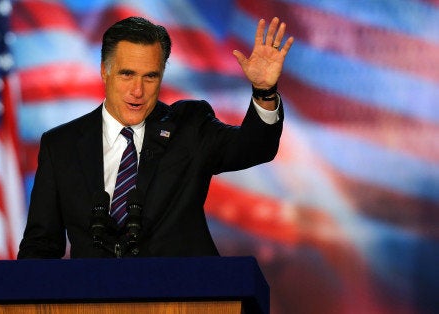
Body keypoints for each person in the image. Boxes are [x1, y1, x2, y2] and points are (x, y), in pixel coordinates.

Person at [17, 16, 294, 258]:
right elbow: (40, 247)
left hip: (185, 300)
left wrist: (264, 91)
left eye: (150, 77)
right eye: (127, 75)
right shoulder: (61, 146)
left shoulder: (189, 127)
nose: (138, 90)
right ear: (105, 70)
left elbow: (254, 146)